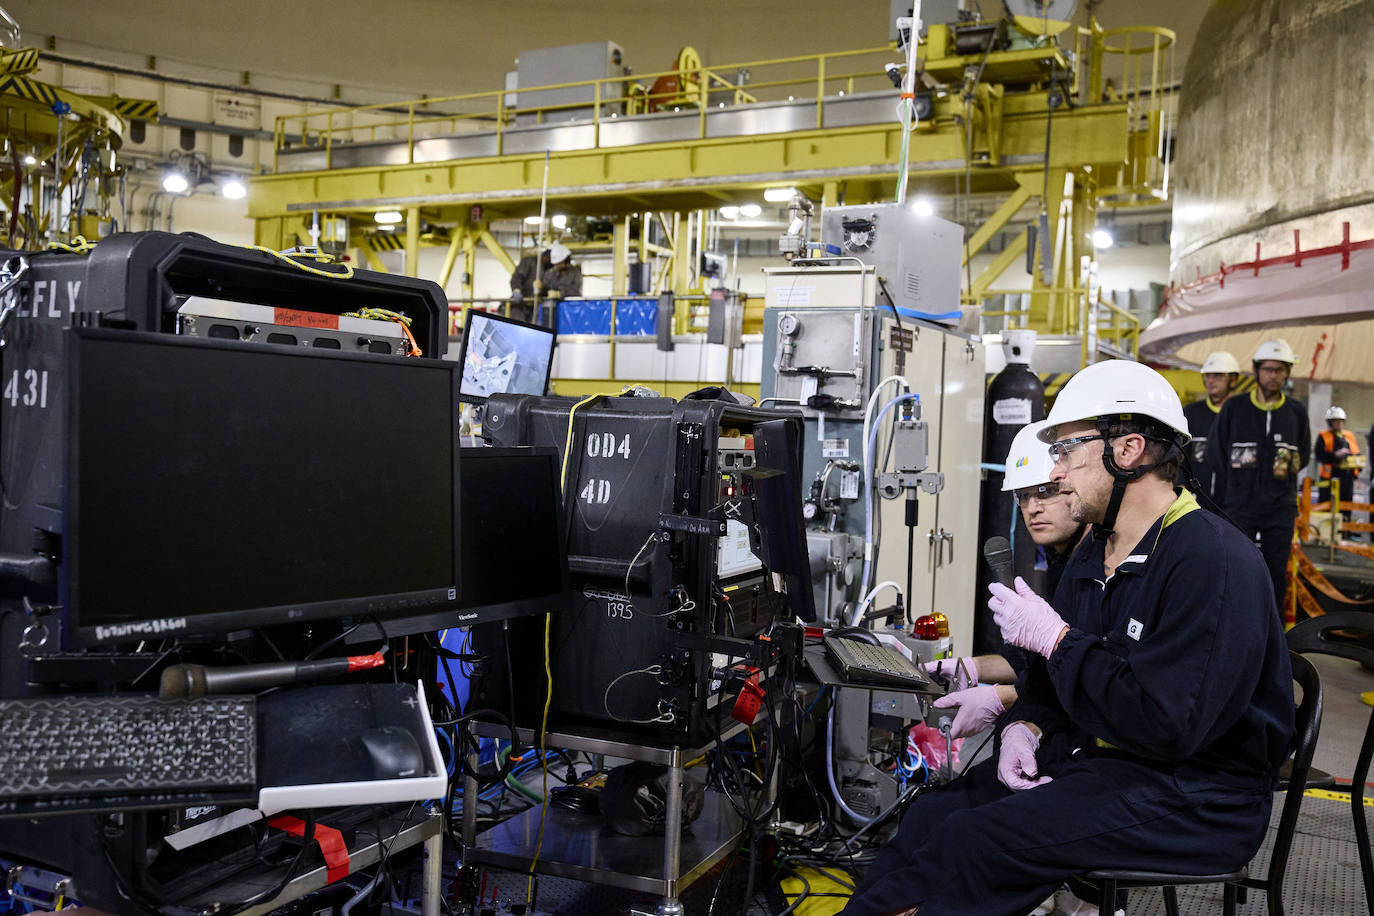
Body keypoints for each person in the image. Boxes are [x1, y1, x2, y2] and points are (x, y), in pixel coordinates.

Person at [841, 359, 1294, 916]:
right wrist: (1025, 726)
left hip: (1197, 795)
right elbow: (1055, 692)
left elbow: (1170, 724)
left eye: (1065, 450)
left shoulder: (1211, 560)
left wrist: (1059, 642)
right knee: (935, 815)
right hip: (1109, 761)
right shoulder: (1093, 558)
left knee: (978, 843)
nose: (1055, 474)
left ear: (1127, 451)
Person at [925, 420, 1085, 740]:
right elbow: (1034, 664)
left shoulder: (1096, 570)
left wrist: (1001, 697)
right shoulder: (1061, 563)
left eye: (1046, 491)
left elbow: (1081, 680)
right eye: (1022, 497)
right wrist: (969, 667)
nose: (1033, 508)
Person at [1204, 338, 1309, 611]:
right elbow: (1216, 454)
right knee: (1235, 568)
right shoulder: (1235, 408)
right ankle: (1233, 624)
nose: (1273, 375)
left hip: (1280, 510)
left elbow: (1304, 454)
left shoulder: (1296, 412)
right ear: (1257, 370)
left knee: (1275, 574)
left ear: (1287, 373)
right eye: (1268, 369)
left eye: (1279, 369)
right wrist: (1235, 491)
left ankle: (1270, 634)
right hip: (1239, 507)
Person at [1182, 350, 1241, 493]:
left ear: (1232, 380)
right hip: (1197, 499)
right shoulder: (1190, 413)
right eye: (1208, 375)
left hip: (1233, 501)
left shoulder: (1243, 415)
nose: (1211, 380)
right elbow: (1179, 456)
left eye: (1218, 375)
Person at [1315, 405, 1362, 527]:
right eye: (1336, 422)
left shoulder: (1349, 436)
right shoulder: (1323, 436)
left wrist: (1357, 464)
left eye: (1341, 422)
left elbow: (1357, 453)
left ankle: (1345, 531)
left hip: (1347, 478)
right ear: (1330, 423)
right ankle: (1325, 531)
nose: (1339, 425)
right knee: (1327, 505)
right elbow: (1319, 455)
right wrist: (1335, 455)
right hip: (1330, 478)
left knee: (1346, 505)